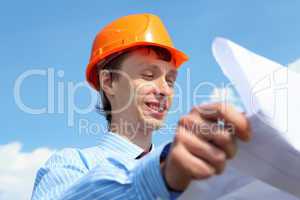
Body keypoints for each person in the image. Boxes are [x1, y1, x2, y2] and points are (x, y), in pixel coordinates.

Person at [31, 13, 251, 200]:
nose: (164, 89)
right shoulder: (71, 164)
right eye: (148, 75)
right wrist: (160, 175)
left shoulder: (193, 169)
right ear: (108, 82)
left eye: (171, 80)